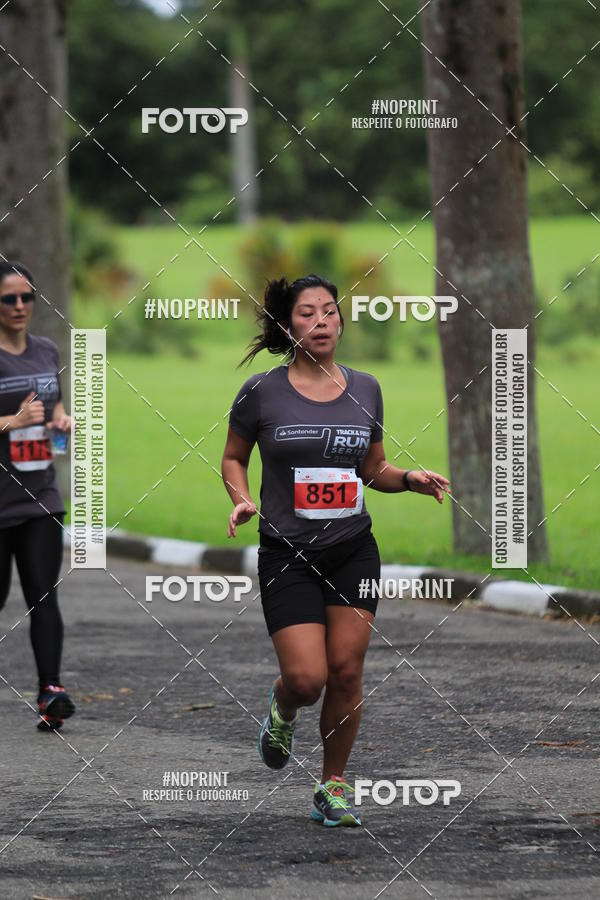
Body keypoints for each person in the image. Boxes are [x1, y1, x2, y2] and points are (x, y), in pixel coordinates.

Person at [222, 274, 450, 827]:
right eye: (307, 313)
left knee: (346, 671)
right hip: (287, 553)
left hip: (352, 550)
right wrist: (243, 499)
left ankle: (333, 786)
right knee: (307, 678)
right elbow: (233, 458)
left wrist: (408, 479)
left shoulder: (366, 388)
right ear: (287, 327)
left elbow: (373, 468)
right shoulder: (261, 392)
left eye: (329, 310)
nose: (321, 321)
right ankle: (283, 708)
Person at [0, 261, 75, 731]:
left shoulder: (46, 350)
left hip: (40, 496)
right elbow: (18, 420)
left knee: (43, 595)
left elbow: (54, 406)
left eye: (27, 296)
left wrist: (61, 421)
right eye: (9, 298)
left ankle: (51, 692)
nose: (20, 306)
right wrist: (11, 422)